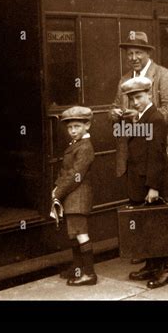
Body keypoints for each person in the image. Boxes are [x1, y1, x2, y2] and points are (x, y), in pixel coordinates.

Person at [110, 31, 168, 266]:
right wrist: (113, 114)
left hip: (158, 152)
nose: (133, 57)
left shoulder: (164, 75)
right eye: (129, 53)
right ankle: (148, 250)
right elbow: (114, 106)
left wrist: (143, 118)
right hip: (134, 155)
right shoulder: (124, 79)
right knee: (140, 203)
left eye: (138, 53)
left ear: (148, 53)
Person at [119, 77, 168, 289]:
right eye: (132, 98)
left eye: (139, 97)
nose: (135, 102)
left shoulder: (155, 119)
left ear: (149, 95)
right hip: (139, 181)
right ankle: (151, 266)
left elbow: (157, 156)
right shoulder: (142, 117)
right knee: (146, 227)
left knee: (156, 226)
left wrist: (153, 187)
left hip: (150, 183)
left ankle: (165, 270)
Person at [52, 106, 97, 286]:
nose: (72, 131)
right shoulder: (76, 144)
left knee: (80, 234)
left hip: (78, 197)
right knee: (74, 234)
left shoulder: (85, 147)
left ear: (88, 125)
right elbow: (66, 172)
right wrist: (57, 188)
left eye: (77, 126)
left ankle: (89, 274)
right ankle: (78, 268)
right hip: (73, 197)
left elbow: (75, 175)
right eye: (70, 128)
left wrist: (58, 191)